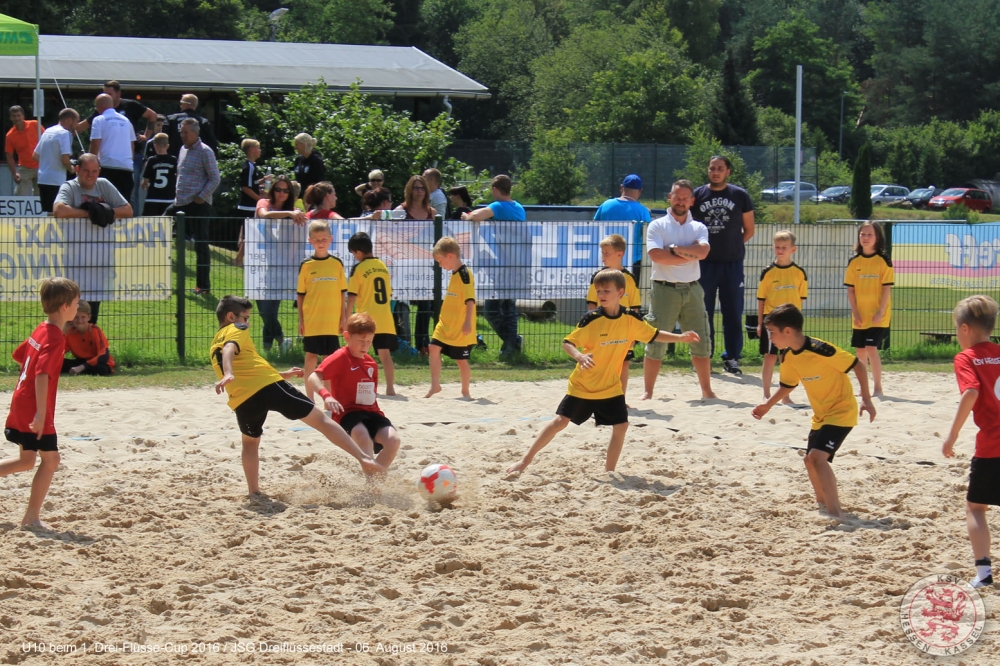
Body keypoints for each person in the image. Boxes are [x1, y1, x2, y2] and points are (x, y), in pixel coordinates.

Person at [506, 269, 699, 476]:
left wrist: (680, 338)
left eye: (606, 290)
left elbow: (654, 334)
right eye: (599, 291)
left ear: (620, 292)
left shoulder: (630, 318)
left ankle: (609, 472)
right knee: (561, 422)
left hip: (610, 387)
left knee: (621, 425)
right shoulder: (591, 319)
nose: (601, 295)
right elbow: (568, 343)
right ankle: (524, 461)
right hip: (584, 385)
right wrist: (580, 356)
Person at [211, 295, 385, 495]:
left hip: (242, 398)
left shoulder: (215, 341)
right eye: (245, 318)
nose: (247, 323)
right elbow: (230, 348)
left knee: (250, 443)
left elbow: (249, 365)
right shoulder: (236, 328)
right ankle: (364, 458)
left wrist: (282, 374)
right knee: (321, 420)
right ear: (231, 316)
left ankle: (254, 491)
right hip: (267, 387)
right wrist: (229, 372)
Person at [752, 304, 876, 521]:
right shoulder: (787, 356)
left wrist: (866, 399)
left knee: (817, 458)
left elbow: (858, 365)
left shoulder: (821, 350)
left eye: (772, 332)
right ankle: (823, 503)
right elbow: (788, 385)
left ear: (787, 331)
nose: (769, 338)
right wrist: (767, 405)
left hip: (842, 411)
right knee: (809, 461)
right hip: (821, 415)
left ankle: (836, 512)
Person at [2, 277, 80, 528]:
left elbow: (19, 355)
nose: (78, 307)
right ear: (65, 307)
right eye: (76, 303)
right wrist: (40, 413)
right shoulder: (56, 337)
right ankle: (31, 518)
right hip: (34, 409)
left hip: (21, 401)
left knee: (26, 461)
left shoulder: (41, 329)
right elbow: (42, 374)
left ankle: (31, 517)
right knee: (51, 460)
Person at [942, 295, 1000, 589]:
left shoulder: (966, 358)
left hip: (992, 446)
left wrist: (952, 435)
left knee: (976, 507)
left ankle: (984, 574)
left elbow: (972, 392)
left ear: (964, 328)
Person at [642, 180, 715, 401]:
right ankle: (648, 392)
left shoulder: (699, 227)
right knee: (656, 341)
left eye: (685, 198)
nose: (680, 202)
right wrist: (688, 254)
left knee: (701, 340)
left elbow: (703, 253)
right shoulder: (657, 225)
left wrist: (674, 250)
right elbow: (657, 256)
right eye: (677, 197)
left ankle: (707, 390)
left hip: (693, 289)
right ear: (670, 197)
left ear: (692, 201)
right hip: (664, 289)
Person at [306, 313, 401, 474]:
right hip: (348, 412)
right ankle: (372, 482)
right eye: (361, 341)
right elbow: (313, 377)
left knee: (394, 440)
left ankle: (376, 477)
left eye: (369, 342)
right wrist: (326, 396)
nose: (365, 346)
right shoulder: (340, 357)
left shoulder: (371, 363)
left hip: (371, 412)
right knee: (363, 436)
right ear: (347, 337)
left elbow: (370, 395)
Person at [693, 156, 755, 375]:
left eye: (720, 168)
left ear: (728, 171)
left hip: (732, 264)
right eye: (712, 168)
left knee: (733, 312)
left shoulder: (740, 195)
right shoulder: (698, 195)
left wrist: (733, 245)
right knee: (703, 313)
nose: (715, 172)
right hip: (705, 264)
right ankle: (704, 356)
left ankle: (732, 357)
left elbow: (749, 229)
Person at [53, 154, 133, 325]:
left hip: (100, 258)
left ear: (99, 171)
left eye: (94, 171)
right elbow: (59, 210)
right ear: (77, 169)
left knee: (92, 308)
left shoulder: (104, 185)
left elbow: (128, 210)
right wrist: (89, 213)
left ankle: (88, 337)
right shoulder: (69, 187)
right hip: (75, 259)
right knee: (72, 303)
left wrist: (107, 212)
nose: (90, 175)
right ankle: (67, 338)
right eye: (86, 171)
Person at [461, 174, 526, 357]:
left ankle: (512, 342)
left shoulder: (498, 206)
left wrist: (466, 216)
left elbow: (477, 216)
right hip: (518, 263)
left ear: (495, 190)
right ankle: (512, 346)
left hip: (504, 266)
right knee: (509, 308)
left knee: (491, 310)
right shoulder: (519, 207)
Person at [164, 118, 220, 296]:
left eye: (186, 132)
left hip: (198, 204)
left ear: (196, 133)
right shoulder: (182, 150)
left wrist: (201, 197)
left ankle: (203, 287)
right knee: (160, 227)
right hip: (180, 202)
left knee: (201, 245)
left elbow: (215, 178)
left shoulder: (205, 151)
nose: (182, 135)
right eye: (181, 132)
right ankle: (157, 278)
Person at [297, 220, 348, 400]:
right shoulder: (306, 265)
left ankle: (329, 398)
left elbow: (342, 293)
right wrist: (301, 320)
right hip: (312, 320)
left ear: (331, 239)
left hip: (331, 321)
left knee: (329, 360)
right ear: (310, 241)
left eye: (324, 239)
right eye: (317, 239)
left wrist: (343, 318)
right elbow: (300, 295)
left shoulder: (337, 264)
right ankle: (309, 398)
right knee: (311, 358)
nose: (320, 242)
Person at [586, 234, 641, 397]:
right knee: (600, 364)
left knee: (623, 364)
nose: (603, 257)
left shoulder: (629, 279)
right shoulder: (598, 276)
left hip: (624, 329)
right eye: (602, 253)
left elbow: (635, 307)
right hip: (603, 328)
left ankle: (620, 399)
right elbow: (592, 304)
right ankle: (597, 396)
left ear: (620, 254)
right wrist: (592, 326)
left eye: (607, 253)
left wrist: (634, 332)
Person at [756, 230, 808, 403]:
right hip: (772, 322)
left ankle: (786, 396)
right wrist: (760, 324)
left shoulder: (799, 272)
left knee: (787, 358)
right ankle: (766, 394)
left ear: (793, 249)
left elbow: (801, 299)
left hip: (790, 324)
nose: (780, 250)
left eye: (784, 247)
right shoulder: (768, 272)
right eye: (777, 247)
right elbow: (761, 299)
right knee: (770, 356)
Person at [845, 221, 893, 398]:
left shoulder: (884, 261)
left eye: (869, 234)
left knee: (871, 347)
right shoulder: (854, 261)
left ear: (877, 237)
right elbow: (850, 290)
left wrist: (880, 311)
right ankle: (863, 388)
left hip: (878, 315)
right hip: (860, 314)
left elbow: (887, 288)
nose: (865, 238)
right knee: (860, 351)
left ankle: (878, 388)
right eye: (862, 234)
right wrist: (856, 312)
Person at [347, 231, 398, 395]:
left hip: (366, 319)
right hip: (384, 318)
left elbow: (352, 296)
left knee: (359, 354)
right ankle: (390, 388)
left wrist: (347, 318)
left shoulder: (359, 268)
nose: (354, 257)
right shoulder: (382, 266)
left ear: (358, 252)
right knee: (385, 355)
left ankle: (361, 386)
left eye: (353, 254)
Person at [425, 237, 475, 399]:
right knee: (433, 348)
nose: (440, 265)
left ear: (450, 256)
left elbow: (470, 301)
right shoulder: (454, 273)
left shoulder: (465, 274)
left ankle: (465, 391)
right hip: (445, 324)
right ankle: (435, 385)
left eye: (440, 261)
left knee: (461, 360)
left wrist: (467, 322)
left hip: (459, 327)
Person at [395, 175, 439, 354]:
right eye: (416, 188)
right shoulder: (400, 211)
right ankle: (403, 344)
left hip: (426, 265)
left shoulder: (433, 213)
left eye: (422, 188)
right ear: (409, 190)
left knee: (425, 306)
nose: (419, 191)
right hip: (403, 265)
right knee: (401, 303)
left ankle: (423, 345)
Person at [89, 93, 136, 202]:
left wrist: (90, 163)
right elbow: (132, 146)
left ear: (100, 106)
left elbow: (95, 143)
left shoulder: (99, 120)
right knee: (123, 204)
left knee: (103, 203)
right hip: (126, 168)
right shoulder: (126, 121)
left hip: (106, 166)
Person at [32, 108, 78, 213]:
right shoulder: (65, 134)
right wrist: (72, 169)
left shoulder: (48, 131)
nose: (77, 125)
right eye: (76, 121)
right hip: (56, 180)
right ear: (69, 120)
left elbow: (35, 156)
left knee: (47, 213)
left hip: (43, 179)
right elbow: (65, 159)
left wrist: (49, 161)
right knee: (58, 213)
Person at [61, 300, 115, 376]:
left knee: (101, 369)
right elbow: (57, 352)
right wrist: (63, 332)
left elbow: (104, 356)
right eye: (76, 317)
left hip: (98, 362)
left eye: (83, 317)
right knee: (59, 362)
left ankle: (80, 369)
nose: (79, 321)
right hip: (81, 361)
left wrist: (82, 367)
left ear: (89, 317)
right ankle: (81, 370)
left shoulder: (95, 331)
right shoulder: (69, 332)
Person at [5, 105, 40, 196]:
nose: (17, 118)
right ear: (10, 118)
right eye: (14, 116)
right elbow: (9, 156)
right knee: (20, 195)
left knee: (40, 196)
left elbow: (47, 140)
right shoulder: (10, 135)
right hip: (25, 168)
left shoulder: (34, 124)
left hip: (41, 166)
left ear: (23, 116)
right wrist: (14, 173)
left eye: (18, 115)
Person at [140, 133, 177, 217]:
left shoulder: (151, 160)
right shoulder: (173, 160)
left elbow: (145, 181)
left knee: (150, 222)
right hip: (169, 199)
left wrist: (144, 184)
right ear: (168, 146)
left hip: (153, 198)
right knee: (168, 223)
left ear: (155, 146)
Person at [236, 138, 267, 217]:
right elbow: (245, 187)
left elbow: (252, 183)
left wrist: (263, 180)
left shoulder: (252, 165)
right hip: (248, 207)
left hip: (250, 206)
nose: (260, 150)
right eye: (258, 148)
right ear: (251, 149)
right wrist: (260, 199)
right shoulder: (249, 166)